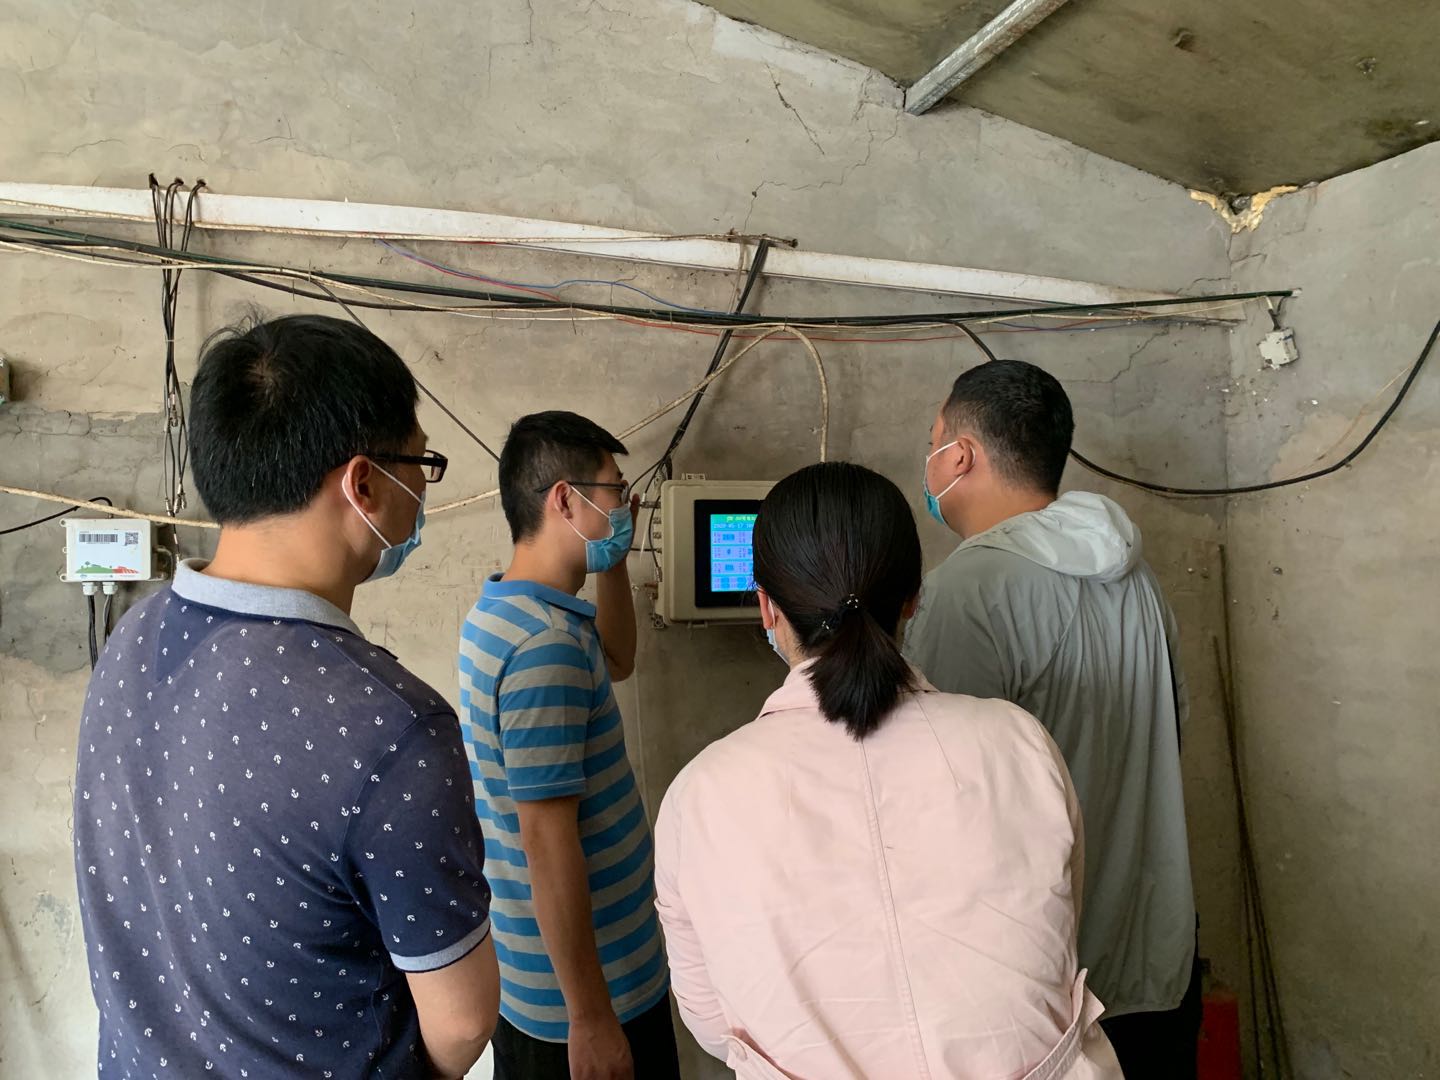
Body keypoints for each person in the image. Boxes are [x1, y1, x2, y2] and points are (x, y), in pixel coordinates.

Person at [72, 314, 500, 1079]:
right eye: (421, 464)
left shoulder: (131, 639)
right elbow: (463, 1020)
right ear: (363, 484)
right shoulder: (393, 728)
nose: (420, 492)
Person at [653, 461, 1120, 1079]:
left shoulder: (701, 794)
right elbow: (1058, 937)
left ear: (766, 607)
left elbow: (715, 1024)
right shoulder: (1019, 741)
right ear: (913, 598)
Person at [903, 359, 1200, 1078]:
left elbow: (944, 799)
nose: (930, 458)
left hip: (1049, 994)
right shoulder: (1135, 574)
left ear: (960, 456)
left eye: (935, 440)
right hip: (1156, 964)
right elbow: (1172, 728)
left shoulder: (967, 592)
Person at [459, 411, 679, 1080]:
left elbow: (619, 658)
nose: (625, 505)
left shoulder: (512, 610)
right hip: (588, 999)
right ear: (565, 499)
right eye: (615, 490)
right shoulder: (544, 647)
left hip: (553, 976)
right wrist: (591, 1018)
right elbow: (547, 841)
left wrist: (612, 561)